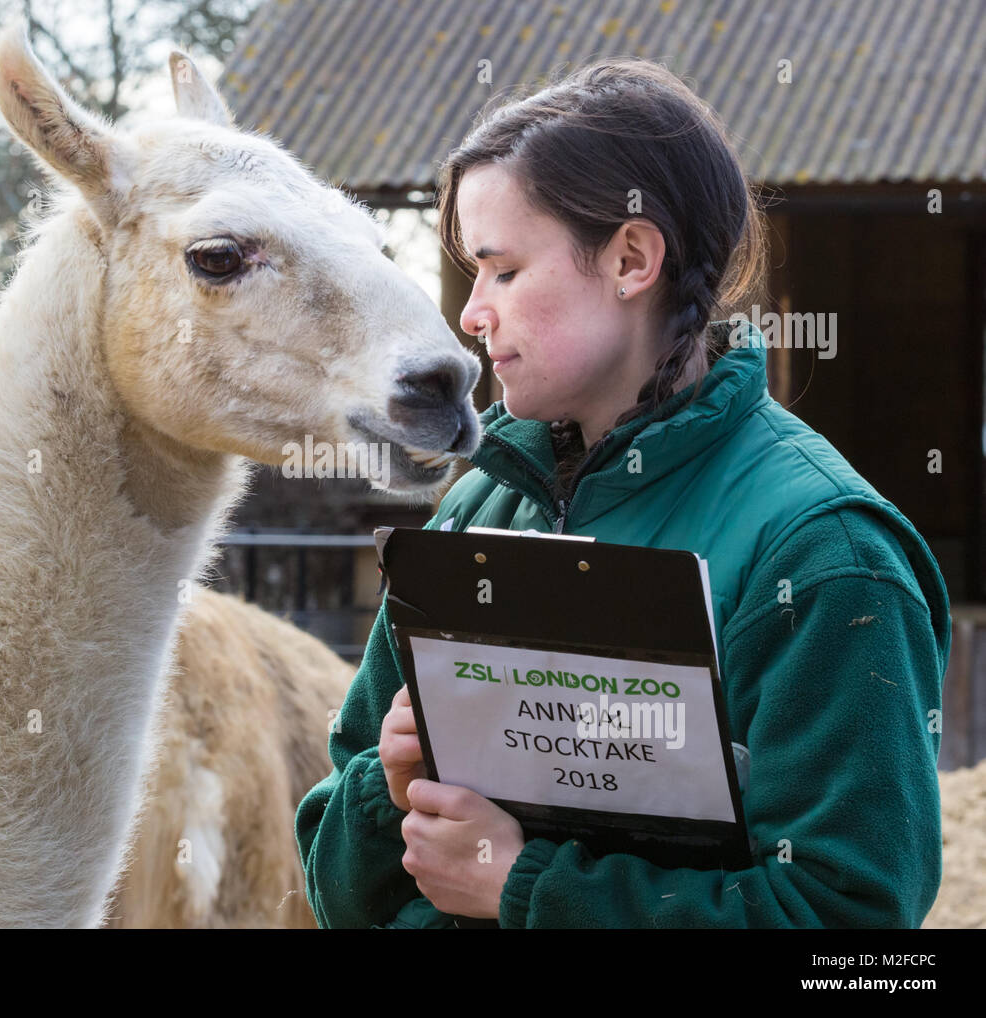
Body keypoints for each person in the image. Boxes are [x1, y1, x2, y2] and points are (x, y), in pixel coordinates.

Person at [295, 57, 951, 929]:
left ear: (632, 258)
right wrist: (388, 794)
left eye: (504, 270)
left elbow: (853, 940)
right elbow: (340, 898)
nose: (470, 313)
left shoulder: (826, 556)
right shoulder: (468, 520)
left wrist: (527, 889)